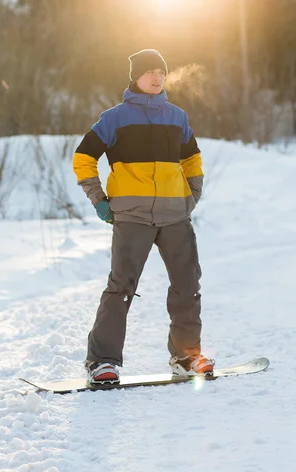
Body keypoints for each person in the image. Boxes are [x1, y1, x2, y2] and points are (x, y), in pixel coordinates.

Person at [72, 49, 214, 384]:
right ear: (135, 77)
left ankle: (186, 357)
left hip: (175, 216)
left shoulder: (176, 117)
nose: (156, 77)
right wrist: (99, 200)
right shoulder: (114, 118)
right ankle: (102, 362)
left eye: (161, 72)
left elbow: (192, 159)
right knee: (121, 286)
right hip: (132, 217)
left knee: (187, 285)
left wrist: (191, 195)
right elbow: (83, 157)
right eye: (149, 72)